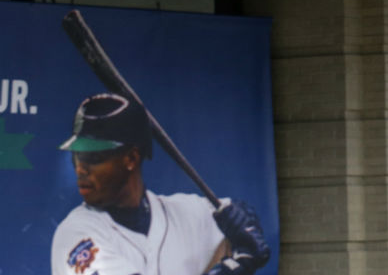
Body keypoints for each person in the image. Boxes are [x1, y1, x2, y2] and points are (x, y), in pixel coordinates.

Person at [50, 93, 271, 275]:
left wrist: (246, 233)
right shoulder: (75, 233)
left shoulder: (183, 213)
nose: (80, 168)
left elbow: (240, 215)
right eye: (78, 157)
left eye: (94, 157)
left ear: (131, 159)